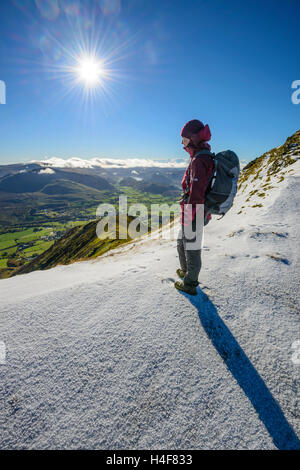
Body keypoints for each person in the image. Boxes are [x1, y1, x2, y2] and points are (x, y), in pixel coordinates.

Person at [175, 119, 214, 295]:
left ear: (192, 138)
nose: (182, 142)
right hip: (193, 212)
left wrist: (192, 216)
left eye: (184, 139)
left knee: (192, 249)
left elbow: (196, 193)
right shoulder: (201, 156)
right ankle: (185, 272)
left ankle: (190, 284)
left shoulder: (200, 160)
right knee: (181, 243)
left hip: (194, 213)